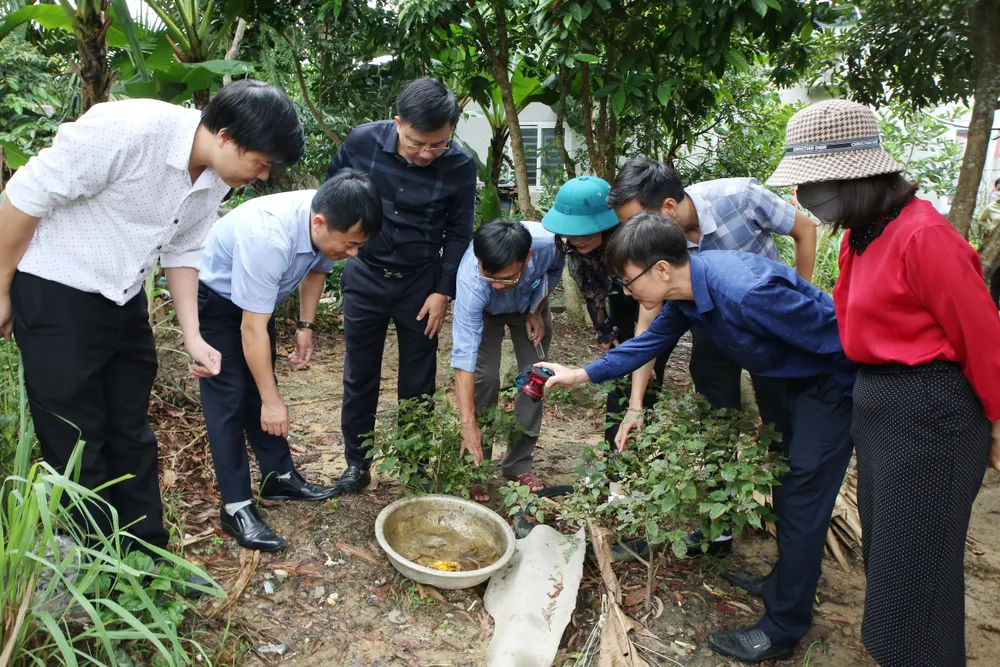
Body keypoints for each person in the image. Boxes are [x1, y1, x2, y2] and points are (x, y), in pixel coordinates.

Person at [0, 80, 303, 559]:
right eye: (262, 163)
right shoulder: (129, 130)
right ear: (225, 135)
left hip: (124, 298)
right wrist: (0, 286)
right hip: (57, 291)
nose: (264, 176)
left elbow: (183, 248)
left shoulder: (217, 177)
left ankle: (148, 557)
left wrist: (193, 336)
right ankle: (98, 564)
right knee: (76, 438)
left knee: (131, 431)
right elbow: (24, 196)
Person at [538, 212, 856, 663]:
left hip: (830, 391)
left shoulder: (746, 293)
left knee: (803, 500)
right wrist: (578, 374)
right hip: (793, 387)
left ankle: (784, 628)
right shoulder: (689, 296)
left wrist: (846, 410)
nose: (628, 293)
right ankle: (782, 584)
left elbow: (842, 339)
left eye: (629, 283)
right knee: (786, 488)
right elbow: (645, 344)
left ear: (661, 269)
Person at [767, 98, 1000, 667]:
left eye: (817, 182)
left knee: (921, 558)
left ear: (858, 176)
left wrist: (997, 421)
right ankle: (893, 650)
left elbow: (982, 335)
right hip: (879, 406)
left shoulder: (924, 236)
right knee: (890, 550)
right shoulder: (859, 236)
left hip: (932, 410)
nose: (807, 198)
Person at [606, 158, 819, 554]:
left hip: (767, 328)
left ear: (668, 209)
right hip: (712, 328)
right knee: (718, 423)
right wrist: (635, 403)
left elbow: (805, 230)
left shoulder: (738, 198)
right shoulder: (657, 256)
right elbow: (646, 327)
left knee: (781, 426)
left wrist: (799, 298)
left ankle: (789, 533)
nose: (633, 235)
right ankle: (717, 532)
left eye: (637, 221)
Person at [196, 170, 381, 551]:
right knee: (229, 401)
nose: (353, 254)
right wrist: (272, 401)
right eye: (349, 244)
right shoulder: (269, 239)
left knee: (260, 388)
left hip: (256, 308)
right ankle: (236, 507)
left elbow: (315, 268)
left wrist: (305, 325)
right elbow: (251, 330)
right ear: (320, 222)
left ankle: (278, 477)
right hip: (217, 306)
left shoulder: (326, 214)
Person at [325, 77, 476, 496]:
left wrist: (442, 291)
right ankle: (357, 464)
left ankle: (413, 464)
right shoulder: (361, 143)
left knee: (418, 380)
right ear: (397, 123)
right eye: (416, 143)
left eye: (438, 145)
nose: (427, 154)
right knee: (360, 376)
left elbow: (460, 232)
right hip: (366, 276)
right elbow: (330, 198)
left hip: (422, 285)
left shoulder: (460, 165)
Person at [540, 176, 669, 448]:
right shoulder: (577, 252)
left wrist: (643, 353)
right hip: (619, 308)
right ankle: (614, 468)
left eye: (584, 232)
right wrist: (606, 334)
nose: (576, 240)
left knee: (647, 379)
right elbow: (593, 295)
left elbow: (650, 313)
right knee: (619, 377)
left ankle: (640, 462)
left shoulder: (635, 244)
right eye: (570, 233)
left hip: (653, 303)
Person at [451, 220, 565, 501]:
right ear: (479, 261)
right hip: (484, 311)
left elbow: (553, 272)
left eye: (507, 278)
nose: (499, 286)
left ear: (527, 258)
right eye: (492, 278)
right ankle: (474, 466)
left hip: (528, 305)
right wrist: (467, 425)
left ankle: (517, 464)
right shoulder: (472, 282)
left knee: (535, 379)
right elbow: (464, 357)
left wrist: (536, 310)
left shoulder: (550, 246)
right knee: (484, 378)